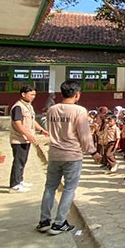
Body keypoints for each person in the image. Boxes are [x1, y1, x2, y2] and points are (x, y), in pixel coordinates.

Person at [37, 80, 101, 235]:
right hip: (72, 155)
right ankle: (59, 223)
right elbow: (84, 135)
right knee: (69, 188)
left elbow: (49, 128)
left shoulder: (52, 109)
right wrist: (93, 152)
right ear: (77, 94)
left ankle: (44, 220)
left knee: (50, 187)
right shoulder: (79, 111)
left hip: (54, 153)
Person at [9, 86, 49, 191]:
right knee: (18, 161)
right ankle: (15, 184)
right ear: (23, 94)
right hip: (19, 139)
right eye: (31, 94)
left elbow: (32, 121)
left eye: (34, 95)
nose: (33, 97)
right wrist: (28, 135)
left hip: (26, 139)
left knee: (23, 160)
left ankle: (20, 180)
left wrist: (41, 130)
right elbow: (18, 123)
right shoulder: (18, 107)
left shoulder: (28, 106)